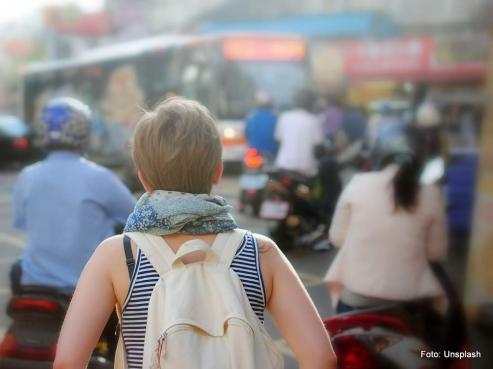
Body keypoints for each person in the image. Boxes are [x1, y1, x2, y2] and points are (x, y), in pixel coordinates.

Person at [53, 97, 336, 369]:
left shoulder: (118, 254)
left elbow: (68, 362)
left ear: (143, 177)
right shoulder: (260, 253)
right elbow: (321, 358)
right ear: (218, 172)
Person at [11, 97, 136, 291]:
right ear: (84, 132)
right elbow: (135, 217)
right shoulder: (100, 177)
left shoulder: (27, 176)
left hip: (32, 283)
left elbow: (21, 222)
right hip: (84, 288)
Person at [324, 133, 448, 314]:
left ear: (379, 160)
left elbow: (337, 238)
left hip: (357, 297)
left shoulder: (358, 183)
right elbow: (436, 252)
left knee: (341, 340)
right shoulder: (431, 193)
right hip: (410, 301)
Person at [275, 89, 324, 177]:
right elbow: (318, 148)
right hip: (306, 170)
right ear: (311, 103)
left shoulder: (284, 117)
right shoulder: (313, 120)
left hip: (283, 166)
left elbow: (278, 141)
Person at [244, 91, 278, 160]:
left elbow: (246, 135)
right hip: (272, 153)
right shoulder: (275, 117)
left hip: (254, 154)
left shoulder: (251, 117)